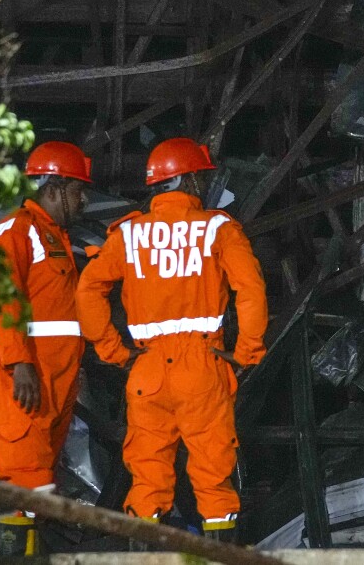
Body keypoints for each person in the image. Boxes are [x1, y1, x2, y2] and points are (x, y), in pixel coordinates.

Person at [75, 137, 267, 543]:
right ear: (188, 181)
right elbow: (250, 290)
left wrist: (114, 352)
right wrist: (245, 353)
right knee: (214, 482)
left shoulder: (127, 234)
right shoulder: (217, 228)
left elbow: (88, 291)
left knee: (146, 481)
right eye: (199, 178)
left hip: (147, 370)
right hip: (202, 367)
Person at [0, 142, 92, 556]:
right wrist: (18, 361)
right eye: (78, 190)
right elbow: (0, 294)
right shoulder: (17, 229)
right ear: (55, 187)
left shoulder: (54, 237)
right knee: (26, 483)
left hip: (51, 383)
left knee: (38, 486)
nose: (84, 200)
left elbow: (59, 316)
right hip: (24, 378)